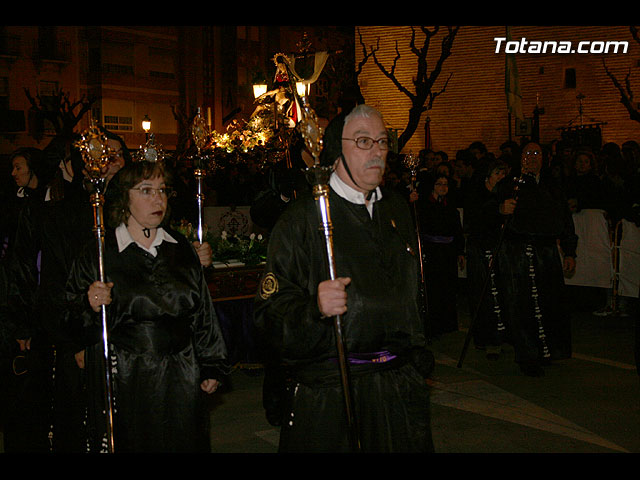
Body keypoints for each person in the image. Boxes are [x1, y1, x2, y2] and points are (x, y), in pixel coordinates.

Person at [253, 104, 434, 453]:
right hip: (334, 393)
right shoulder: (301, 220)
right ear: (335, 151)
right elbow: (268, 315)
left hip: (399, 387)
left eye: (382, 142)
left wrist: (418, 358)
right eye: (364, 141)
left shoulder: (396, 208)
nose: (378, 151)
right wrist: (314, 309)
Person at [64, 160, 229, 452]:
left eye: (163, 190)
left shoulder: (180, 247)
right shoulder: (101, 252)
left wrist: (211, 364)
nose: (158, 199)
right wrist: (89, 303)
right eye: (146, 191)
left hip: (182, 372)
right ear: (124, 198)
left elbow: (202, 312)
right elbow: (69, 318)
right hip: (129, 375)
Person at [493, 142, 577, 377]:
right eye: (527, 153)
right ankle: (528, 355)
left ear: (545, 157)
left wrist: (569, 251)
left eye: (536, 153)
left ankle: (547, 350)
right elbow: (489, 209)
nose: (532, 157)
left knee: (550, 303)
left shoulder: (553, 186)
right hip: (519, 251)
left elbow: (565, 220)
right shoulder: (510, 185)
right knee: (522, 305)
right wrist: (501, 208)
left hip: (547, 252)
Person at [464, 159, 510, 360]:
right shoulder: (476, 194)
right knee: (482, 294)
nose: (501, 177)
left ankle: (500, 337)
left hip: (499, 249)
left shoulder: (505, 194)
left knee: (500, 294)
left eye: (504, 173)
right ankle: (484, 337)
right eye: (498, 173)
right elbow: (475, 218)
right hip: (480, 249)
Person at [416, 173, 465, 337]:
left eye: (445, 184)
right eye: (439, 184)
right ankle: (433, 325)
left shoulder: (450, 207)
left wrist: (460, 252)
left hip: (447, 253)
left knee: (448, 288)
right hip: (431, 252)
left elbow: (457, 231)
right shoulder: (423, 205)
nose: (443, 187)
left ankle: (447, 325)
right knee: (433, 289)